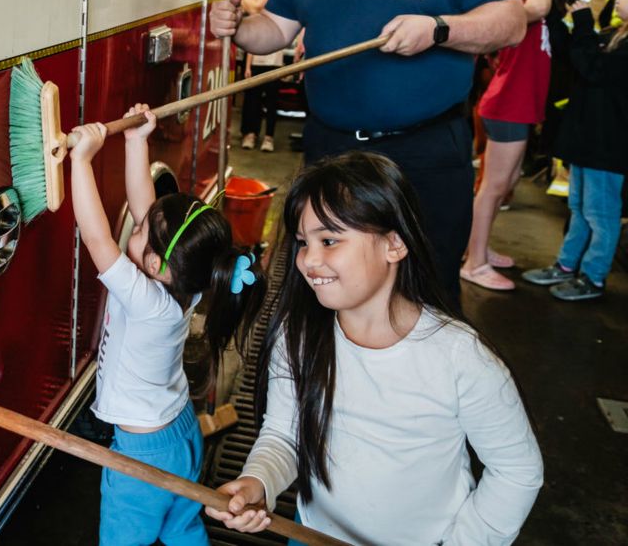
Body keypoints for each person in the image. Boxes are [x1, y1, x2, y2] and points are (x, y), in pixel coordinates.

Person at [210, 0, 526, 305]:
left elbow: (511, 23)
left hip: (426, 153)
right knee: (329, 285)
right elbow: (275, 30)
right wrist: (240, 26)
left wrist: (438, 29)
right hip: (333, 152)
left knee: (427, 286)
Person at [205, 151, 544, 545]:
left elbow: (517, 469)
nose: (309, 260)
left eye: (329, 240)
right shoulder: (298, 335)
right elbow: (284, 433)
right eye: (302, 242)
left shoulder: (460, 357)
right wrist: (257, 481)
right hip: (311, 533)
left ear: (394, 245)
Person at [69, 103, 267, 545]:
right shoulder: (188, 284)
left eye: (140, 233)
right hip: (180, 430)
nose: (135, 227)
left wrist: (81, 161)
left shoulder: (144, 301)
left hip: (143, 455)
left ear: (157, 262)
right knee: (182, 526)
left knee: (125, 539)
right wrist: (136, 141)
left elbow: (96, 236)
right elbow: (147, 213)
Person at [461, 0, 571, 291]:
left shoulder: (530, 2)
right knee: (493, 188)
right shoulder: (517, 5)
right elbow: (538, 8)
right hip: (508, 107)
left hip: (516, 108)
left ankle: (478, 248)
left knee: (503, 185)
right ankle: (474, 264)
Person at [522, 0, 628, 300]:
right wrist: (560, 18)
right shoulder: (614, 35)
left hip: (608, 147)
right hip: (588, 140)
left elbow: (593, 69)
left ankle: (593, 277)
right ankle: (567, 266)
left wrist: (583, 22)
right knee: (579, 208)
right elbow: (575, 55)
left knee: (602, 214)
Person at [239, 0, 277, 151]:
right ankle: (248, 132)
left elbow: (255, 8)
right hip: (239, 48)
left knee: (267, 94)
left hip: (258, 45)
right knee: (248, 95)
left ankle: (266, 136)